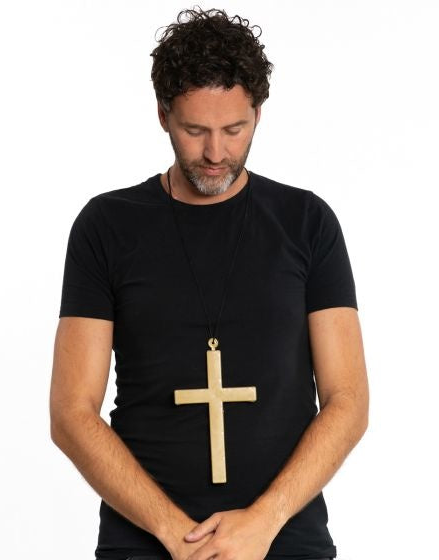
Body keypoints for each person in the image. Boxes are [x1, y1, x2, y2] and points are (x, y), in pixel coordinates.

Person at [50, 7, 369, 560]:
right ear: (162, 114)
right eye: (194, 130)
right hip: (144, 539)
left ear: (258, 114)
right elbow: (71, 412)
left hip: (283, 538)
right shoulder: (107, 226)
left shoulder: (307, 222)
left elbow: (348, 399)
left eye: (234, 130)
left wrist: (263, 522)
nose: (216, 153)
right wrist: (177, 535)